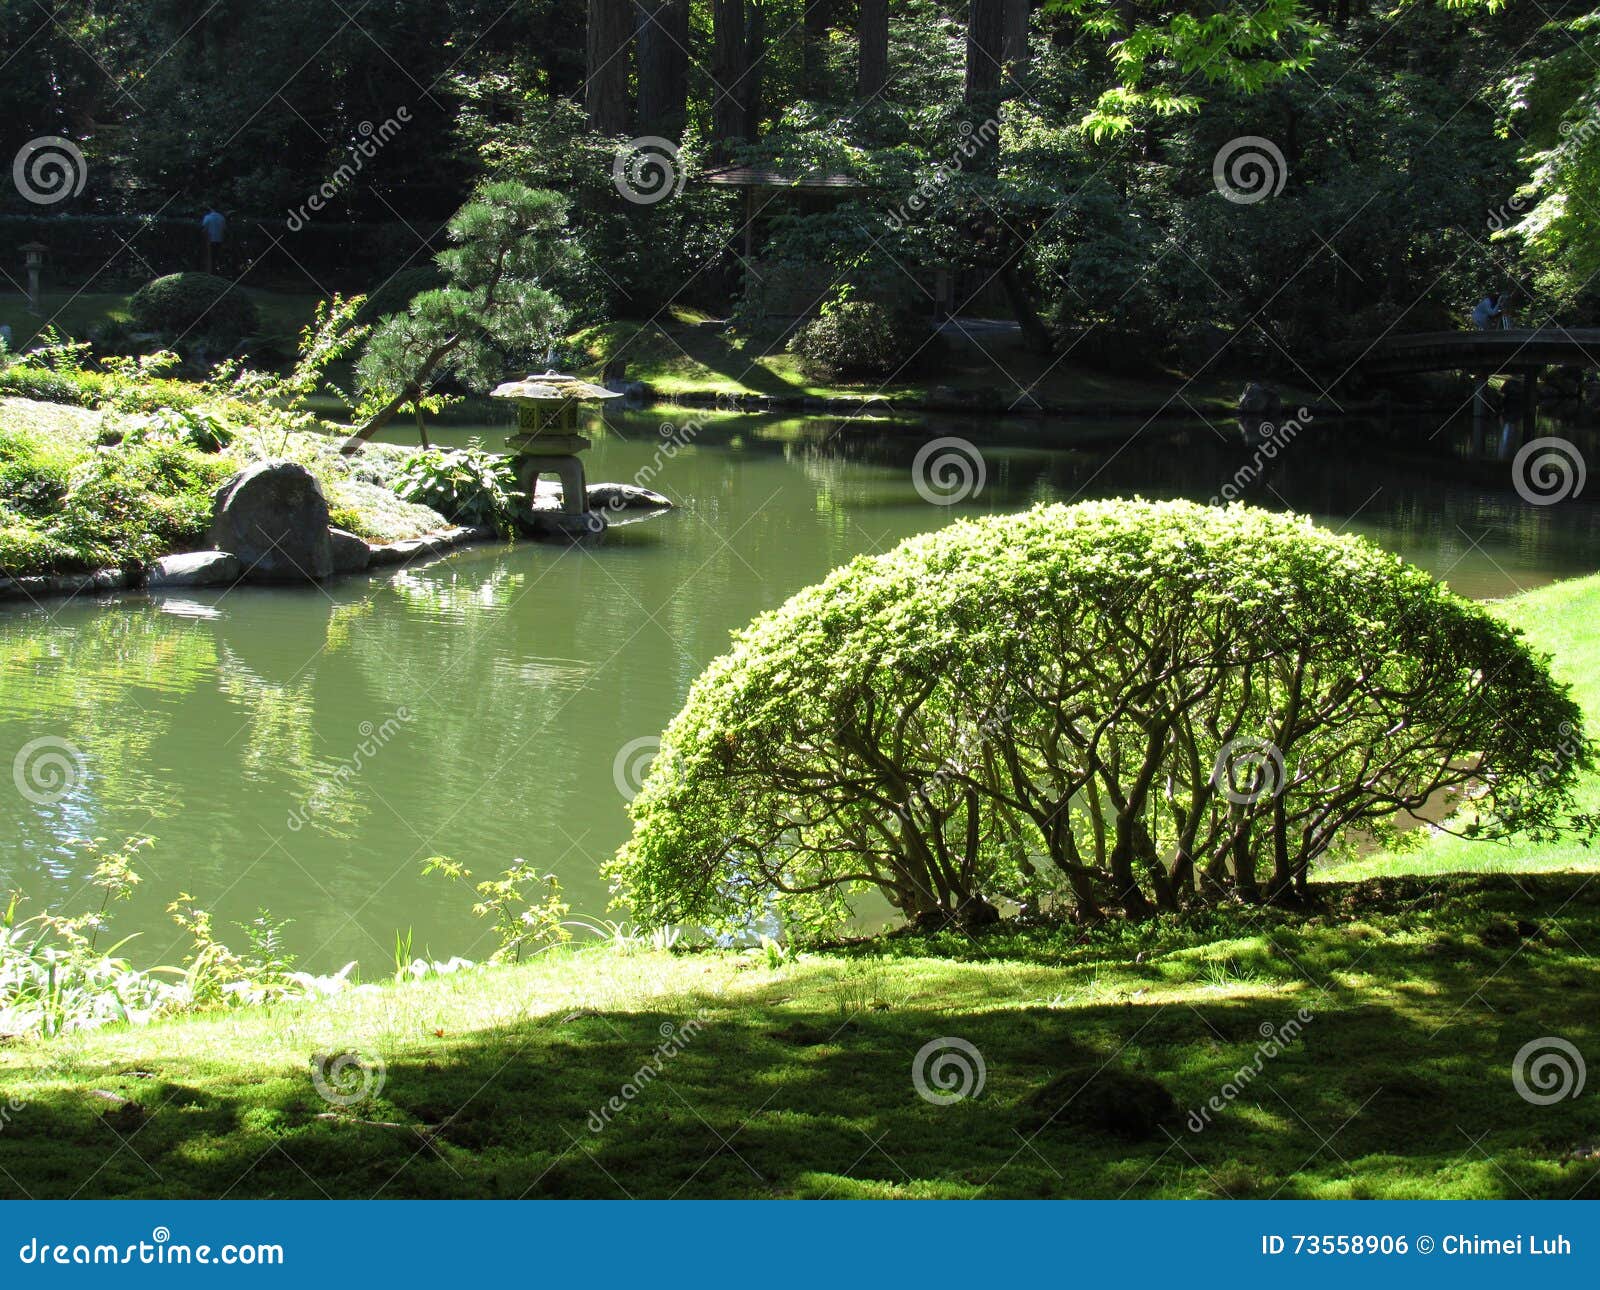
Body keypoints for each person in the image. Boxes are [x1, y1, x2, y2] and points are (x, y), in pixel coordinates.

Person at [200, 205, 226, 273]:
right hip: (219, 241)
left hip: (210, 240)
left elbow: (204, 229)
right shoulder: (221, 217)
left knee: (209, 258)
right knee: (217, 257)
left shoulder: (207, 217)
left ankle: (209, 273)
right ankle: (217, 272)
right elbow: (224, 230)